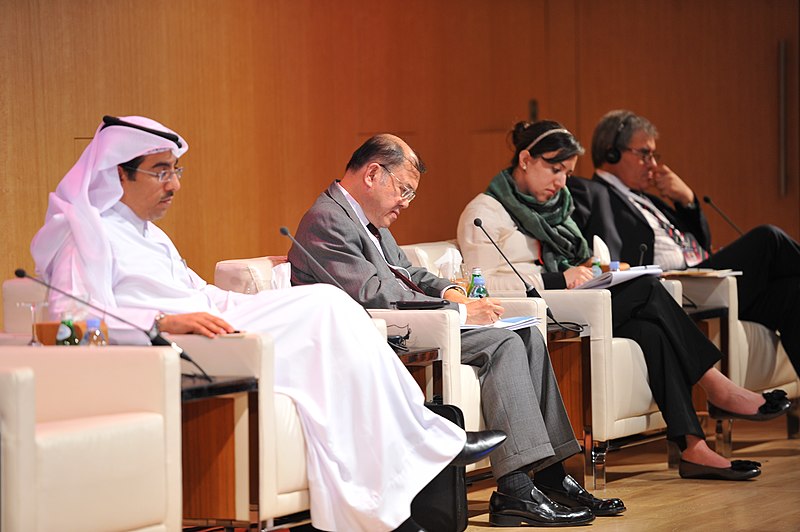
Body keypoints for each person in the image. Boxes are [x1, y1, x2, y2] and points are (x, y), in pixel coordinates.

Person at [29, 116, 507, 532]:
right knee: (324, 304)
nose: (173, 184)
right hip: (182, 338)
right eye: (160, 172)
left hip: (214, 317)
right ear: (118, 174)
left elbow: (197, 290)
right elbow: (70, 320)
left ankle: (419, 446)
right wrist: (163, 318)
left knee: (328, 302)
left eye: (175, 170)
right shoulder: (84, 234)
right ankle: (423, 450)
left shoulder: (148, 234)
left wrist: (254, 295)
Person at [289, 134, 623, 527]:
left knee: (529, 334)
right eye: (404, 190)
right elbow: (373, 295)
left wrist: (450, 290)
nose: (406, 203)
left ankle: (551, 476)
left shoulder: (366, 219)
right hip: (378, 334)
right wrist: (458, 310)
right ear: (373, 174)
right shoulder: (327, 219)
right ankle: (515, 488)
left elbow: (408, 273)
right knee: (502, 344)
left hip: (416, 321)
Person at [456, 120, 791, 481]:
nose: (560, 182)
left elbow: (576, 257)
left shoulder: (557, 206)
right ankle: (716, 385)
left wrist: (594, 269)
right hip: (540, 309)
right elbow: (485, 283)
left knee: (651, 330)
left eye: (567, 173)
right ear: (525, 159)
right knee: (646, 288)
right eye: (554, 169)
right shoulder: (484, 212)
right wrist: (558, 277)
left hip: (578, 300)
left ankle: (694, 449)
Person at [568, 109, 800, 377]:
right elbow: (582, 245)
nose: (653, 165)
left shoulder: (650, 200)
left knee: (793, 292)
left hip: (705, 280)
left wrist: (687, 200)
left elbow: (701, 245)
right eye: (644, 154)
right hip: (669, 289)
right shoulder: (590, 192)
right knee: (767, 238)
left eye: (654, 155)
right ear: (612, 153)